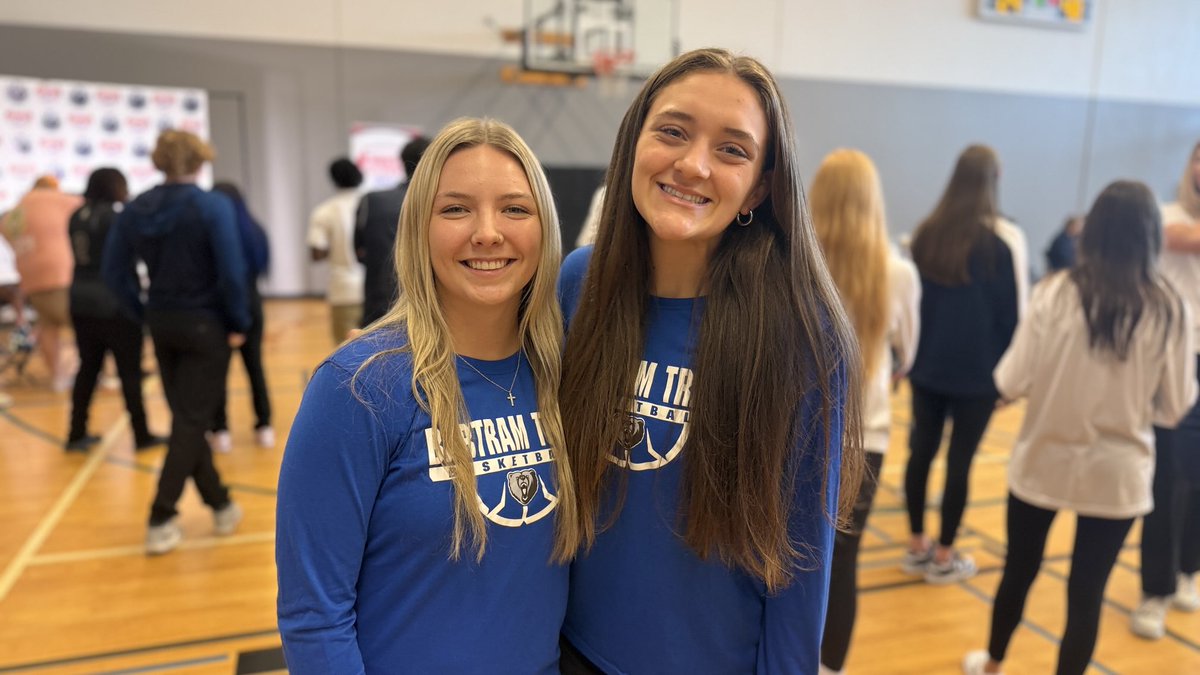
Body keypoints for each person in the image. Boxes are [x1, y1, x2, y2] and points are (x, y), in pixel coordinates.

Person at [556, 48, 863, 674]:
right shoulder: (580, 284)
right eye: (673, 132)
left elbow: (801, 558)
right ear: (633, 144)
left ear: (760, 187)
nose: (693, 165)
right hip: (572, 652)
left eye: (731, 149)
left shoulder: (801, 330)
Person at [276, 118, 579, 673]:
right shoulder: (357, 387)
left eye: (515, 208)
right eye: (456, 209)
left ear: (546, 228)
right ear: (420, 227)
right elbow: (314, 616)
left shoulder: (564, 372)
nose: (487, 232)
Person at [962, 180, 1195, 675]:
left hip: (1043, 460)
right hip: (1119, 475)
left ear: (1093, 230)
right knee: (1087, 593)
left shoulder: (1054, 293)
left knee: (1019, 571)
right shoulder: (1169, 309)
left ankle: (993, 663)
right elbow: (1175, 408)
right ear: (1150, 236)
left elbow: (1012, 378)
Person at [103, 130, 250, 555]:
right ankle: (161, 515)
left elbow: (114, 272)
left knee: (188, 418)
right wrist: (239, 320)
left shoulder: (136, 208)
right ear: (201, 161)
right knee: (190, 421)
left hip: (162, 322)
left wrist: (141, 311)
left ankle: (220, 504)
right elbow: (232, 271)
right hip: (206, 324)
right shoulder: (211, 206)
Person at [809, 149, 920, 675]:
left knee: (789, 555)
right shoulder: (897, 273)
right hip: (865, 437)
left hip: (797, 431)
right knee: (843, 562)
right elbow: (908, 353)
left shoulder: (796, 262)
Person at [903, 144, 1021, 584]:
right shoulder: (998, 247)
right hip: (977, 377)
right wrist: (1006, 380)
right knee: (960, 463)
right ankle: (945, 555)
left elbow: (914, 306)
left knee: (921, 453)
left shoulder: (925, 236)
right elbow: (1011, 320)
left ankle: (917, 543)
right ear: (994, 181)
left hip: (928, 368)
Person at [1133, 139, 1200, 639]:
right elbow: (1178, 238)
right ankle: (1154, 591)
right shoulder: (1165, 215)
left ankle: (1187, 572)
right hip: (1175, 358)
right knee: (1168, 479)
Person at [65, 168, 166, 452]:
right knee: (130, 372)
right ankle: (141, 434)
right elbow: (124, 262)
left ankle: (76, 432)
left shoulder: (77, 215)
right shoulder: (116, 217)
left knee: (88, 368)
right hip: (113, 302)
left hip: (80, 300)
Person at [0, 174, 82, 391]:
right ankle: (88, 373)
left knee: (47, 326)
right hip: (61, 275)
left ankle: (58, 377)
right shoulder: (59, 200)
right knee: (84, 325)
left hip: (31, 279)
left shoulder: (15, 212)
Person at [208, 181, 274, 451]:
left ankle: (220, 430)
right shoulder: (255, 230)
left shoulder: (215, 232)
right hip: (252, 303)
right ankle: (264, 426)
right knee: (254, 366)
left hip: (220, 308)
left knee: (217, 373)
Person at [354, 136, 431, 328]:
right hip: (430, 309)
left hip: (378, 308)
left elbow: (359, 252)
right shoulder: (441, 204)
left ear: (402, 162)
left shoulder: (372, 201)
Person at [307, 158, 365, 344]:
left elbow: (316, 253)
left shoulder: (325, 211)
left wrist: (338, 245)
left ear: (333, 179)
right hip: (375, 289)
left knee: (346, 351)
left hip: (343, 290)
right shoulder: (371, 204)